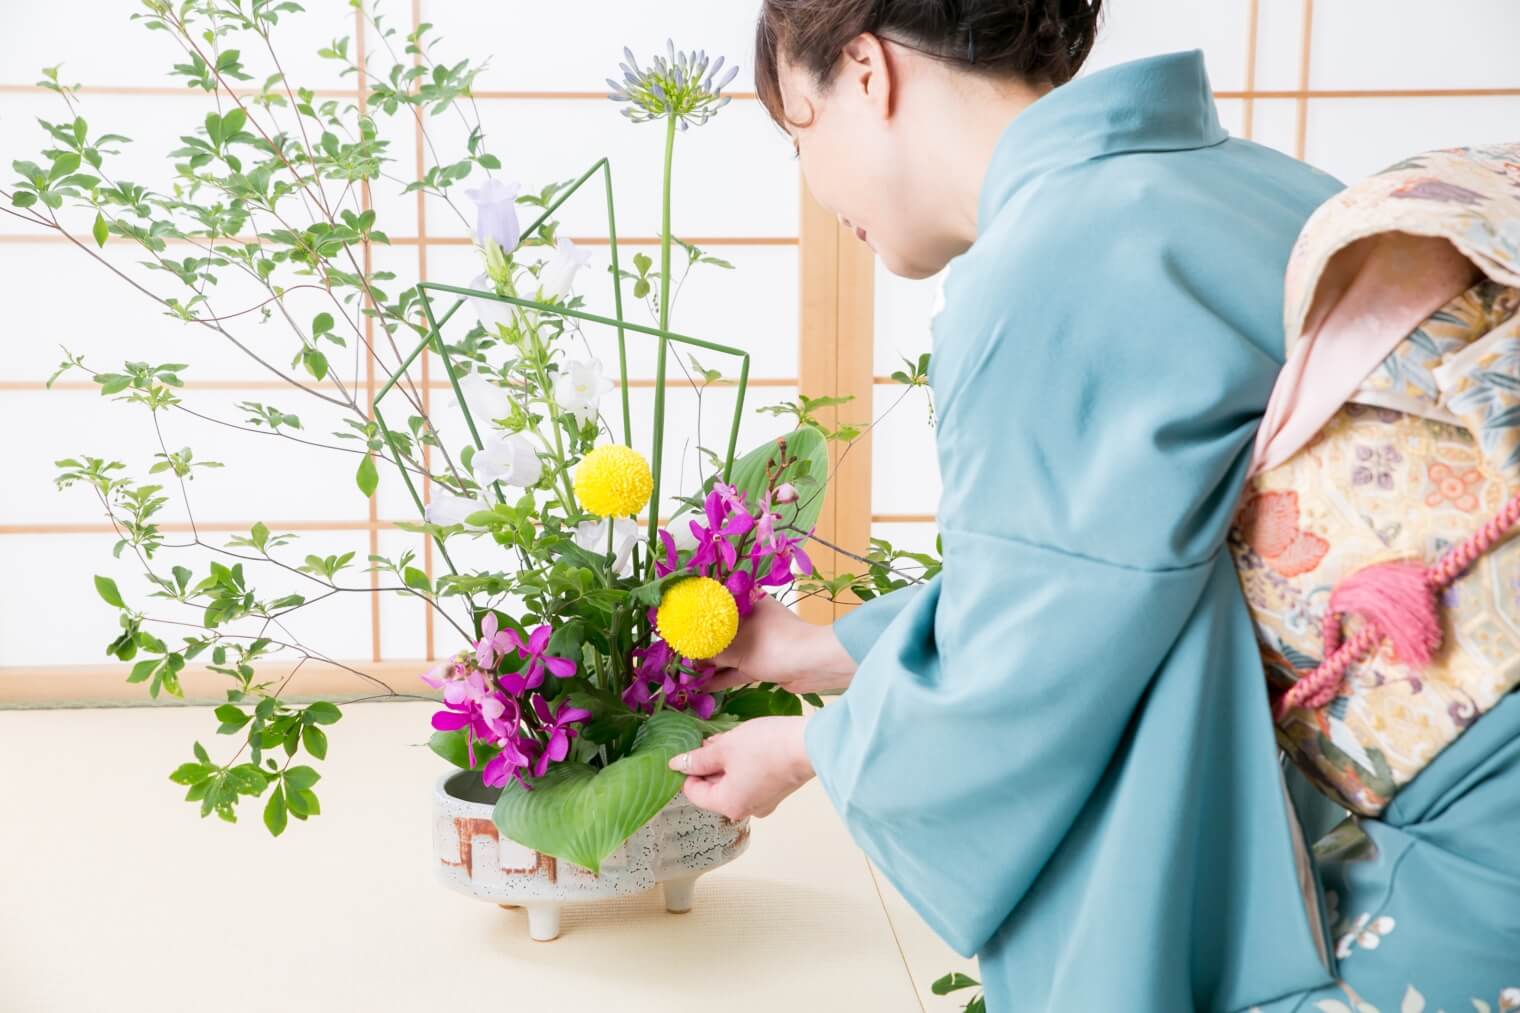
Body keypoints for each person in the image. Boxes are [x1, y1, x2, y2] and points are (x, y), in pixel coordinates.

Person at [668, 1, 1353, 1008]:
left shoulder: (1043, 266)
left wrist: (805, 745)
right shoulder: (1254, 182)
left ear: (865, 72)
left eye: (798, 132)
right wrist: (826, 652)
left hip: (1371, 869)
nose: (813, 188)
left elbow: (1026, 672)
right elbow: (1098, 571)